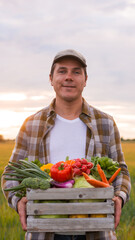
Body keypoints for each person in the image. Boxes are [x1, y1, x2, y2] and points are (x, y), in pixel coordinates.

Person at [1, 49, 131, 240]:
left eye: (76, 72)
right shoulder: (32, 124)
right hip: (45, 231)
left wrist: (119, 196)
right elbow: (11, 172)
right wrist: (18, 200)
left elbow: (122, 171)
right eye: (62, 71)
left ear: (85, 79)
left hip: (96, 231)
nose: (69, 77)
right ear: (51, 78)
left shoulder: (105, 123)